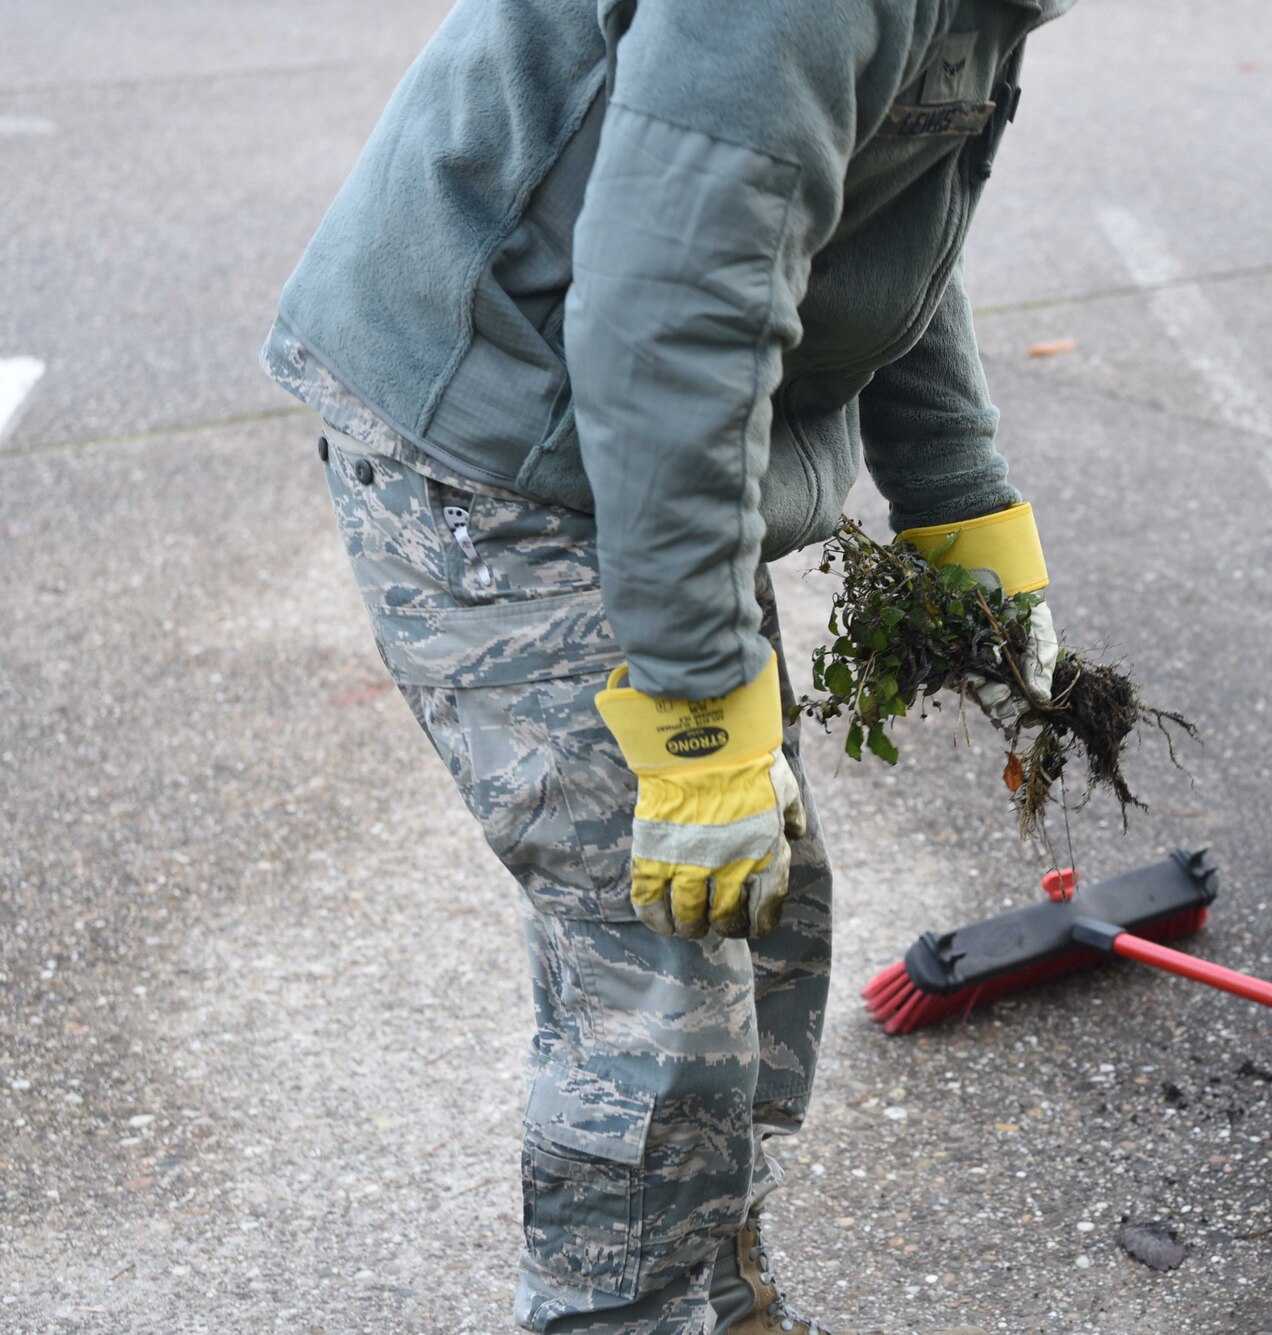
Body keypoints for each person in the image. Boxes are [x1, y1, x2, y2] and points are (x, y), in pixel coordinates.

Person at [261, 1, 1072, 1330]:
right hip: (502, 436)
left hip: (634, 430)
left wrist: (961, 505)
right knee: (663, 972)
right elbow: (673, 320)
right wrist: (700, 716)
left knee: (766, 902)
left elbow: (859, 214)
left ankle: (713, 1285)